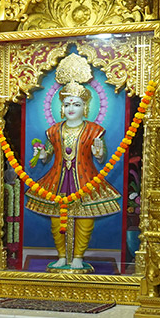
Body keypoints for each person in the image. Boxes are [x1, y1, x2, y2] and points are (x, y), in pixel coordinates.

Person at [25, 81, 120, 269]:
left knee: (85, 219)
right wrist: (42, 154)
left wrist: (99, 153)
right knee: (56, 221)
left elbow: (101, 158)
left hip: (85, 179)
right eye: (67, 104)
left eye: (76, 104)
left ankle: (78, 257)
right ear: (61, 107)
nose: (71, 108)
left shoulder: (94, 131)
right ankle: (61, 256)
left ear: (85, 107)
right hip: (57, 180)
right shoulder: (54, 131)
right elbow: (48, 155)